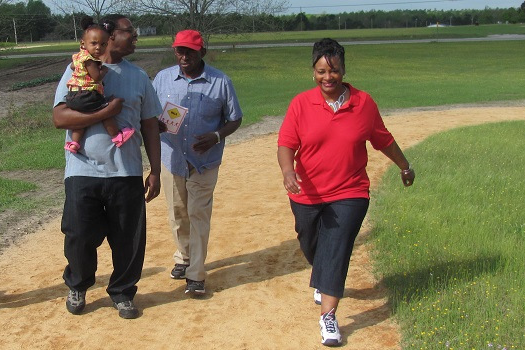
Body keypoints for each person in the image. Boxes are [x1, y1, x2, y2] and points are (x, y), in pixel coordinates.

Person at [276, 38, 415, 347]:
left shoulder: (363, 104)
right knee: (309, 241)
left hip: (350, 190)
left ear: (343, 70)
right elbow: (286, 143)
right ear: (313, 71)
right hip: (307, 193)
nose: (328, 78)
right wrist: (288, 172)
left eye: (334, 71)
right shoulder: (301, 103)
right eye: (322, 71)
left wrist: (404, 166)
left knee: (336, 246)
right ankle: (322, 276)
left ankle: (328, 316)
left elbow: (383, 139)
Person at [52, 14, 162, 319]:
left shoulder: (138, 77)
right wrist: (106, 112)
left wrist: (155, 169)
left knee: (129, 238)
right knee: (78, 235)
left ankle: (123, 292)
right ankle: (78, 284)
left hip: (125, 172)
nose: (135, 38)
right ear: (110, 36)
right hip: (81, 170)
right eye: (130, 33)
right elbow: (60, 118)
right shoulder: (74, 69)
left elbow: (150, 124)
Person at [152, 29, 242, 296]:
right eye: (179, 50)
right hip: (172, 157)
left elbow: (235, 118)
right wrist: (155, 124)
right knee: (178, 213)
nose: (183, 56)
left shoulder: (220, 81)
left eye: (189, 51)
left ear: (202, 51)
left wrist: (216, 136)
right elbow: (149, 113)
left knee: (198, 215)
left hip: (204, 161)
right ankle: (184, 257)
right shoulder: (163, 79)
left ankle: (196, 276)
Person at [64, 16, 135, 153]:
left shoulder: (78, 57)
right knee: (106, 111)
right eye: (94, 43)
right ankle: (116, 136)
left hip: (73, 95)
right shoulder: (91, 60)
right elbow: (96, 77)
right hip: (87, 94)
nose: (98, 48)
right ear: (83, 43)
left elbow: (73, 67)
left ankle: (74, 143)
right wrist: (104, 71)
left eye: (103, 44)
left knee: (81, 119)